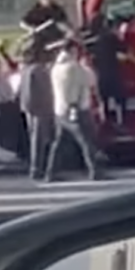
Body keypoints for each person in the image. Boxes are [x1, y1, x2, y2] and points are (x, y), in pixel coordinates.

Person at [18, 0, 69, 180]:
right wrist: (32, 30)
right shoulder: (36, 11)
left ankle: (42, 168)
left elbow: (65, 24)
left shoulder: (57, 10)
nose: (50, 0)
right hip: (43, 44)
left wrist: (66, 31)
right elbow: (24, 22)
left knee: (41, 135)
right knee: (40, 135)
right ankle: (39, 169)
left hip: (52, 44)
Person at [44, 40, 102, 182]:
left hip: (60, 109)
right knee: (86, 140)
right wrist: (86, 66)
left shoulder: (55, 68)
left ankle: (50, 173)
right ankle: (94, 171)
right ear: (71, 51)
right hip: (76, 108)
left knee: (58, 143)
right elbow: (90, 81)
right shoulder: (74, 67)